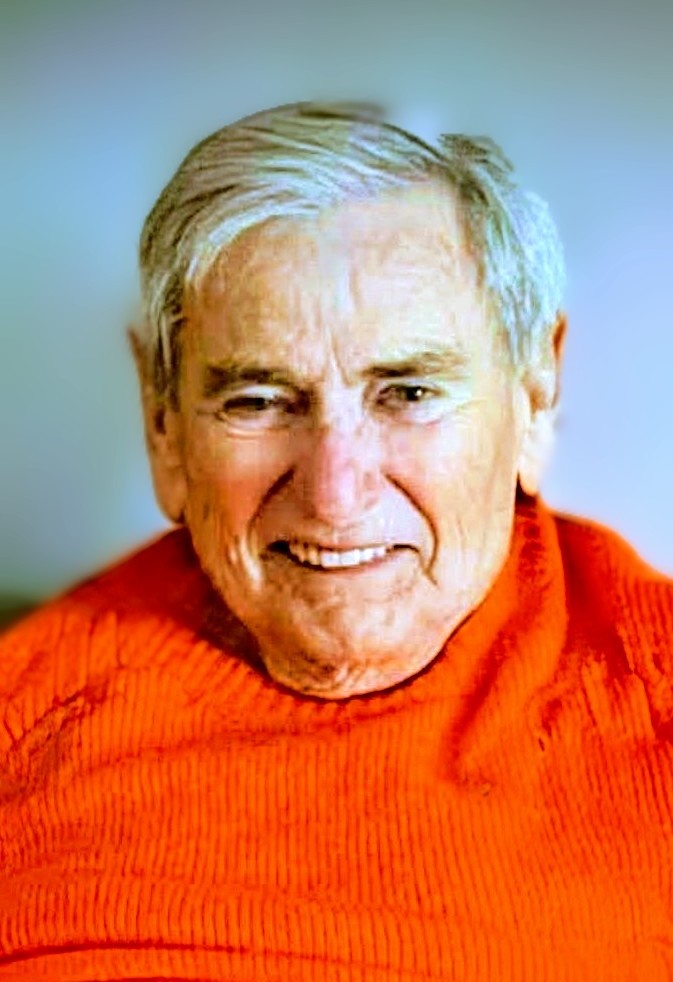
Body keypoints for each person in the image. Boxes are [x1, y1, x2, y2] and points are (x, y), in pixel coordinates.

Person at [1, 102, 672, 980]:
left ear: (534, 395)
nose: (334, 495)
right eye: (258, 401)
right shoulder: (25, 717)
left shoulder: (651, 695)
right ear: (163, 423)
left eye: (409, 393)